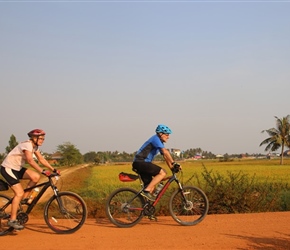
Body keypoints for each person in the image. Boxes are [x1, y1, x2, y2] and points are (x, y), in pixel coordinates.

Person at [0, 129, 60, 230]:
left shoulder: (34, 147)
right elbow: (30, 160)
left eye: (43, 138)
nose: (42, 140)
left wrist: (53, 169)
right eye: (40, 138)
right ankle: (12, 220)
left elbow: (41, 159)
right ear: (34, 138)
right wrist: (43, 171)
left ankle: (23, 199)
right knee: (18, 193)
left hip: (17, 168)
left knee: (35, 177)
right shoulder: (27, 145)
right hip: (8, 168)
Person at [132, 124, 181, 201]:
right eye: (167, 135)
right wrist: (173, 163)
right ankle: (146, 190)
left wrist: (172, 168)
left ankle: (146, 208)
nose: (168, 137)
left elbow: (165, 157)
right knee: (162, 173)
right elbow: (165, 152)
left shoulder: (159, 142)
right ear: (160, 134)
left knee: (151, 187)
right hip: (141, 162)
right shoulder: (155, 139)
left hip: (140, 163)